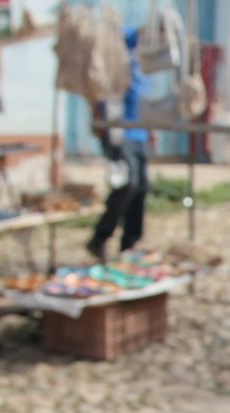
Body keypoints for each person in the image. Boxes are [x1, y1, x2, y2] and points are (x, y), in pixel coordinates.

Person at [86, 26, 151, 262]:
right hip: (117, 134)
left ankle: (129, 245)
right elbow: (95, 90)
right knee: (127, 184)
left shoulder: (143, 68)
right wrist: (97, 118)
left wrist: (151, 130)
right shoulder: (113, 63)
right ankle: (100, 237)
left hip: (139, 134)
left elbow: (144, 104)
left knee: (141, 187)